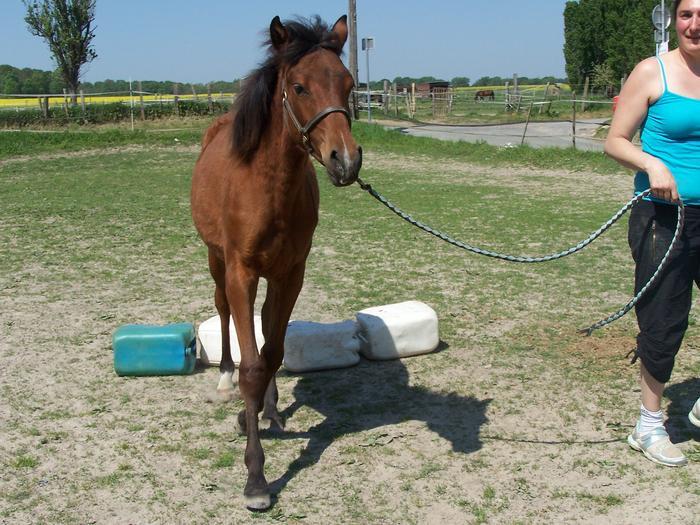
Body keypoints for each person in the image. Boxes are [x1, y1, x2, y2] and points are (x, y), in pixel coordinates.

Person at [605, 0, 700, 467]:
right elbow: (615, 140)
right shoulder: (652, 71)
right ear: (674, 19)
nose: (694, 24)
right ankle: (648, 425)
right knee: (664, 322)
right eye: (686, 14)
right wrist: (651, 162)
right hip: (663, 217)